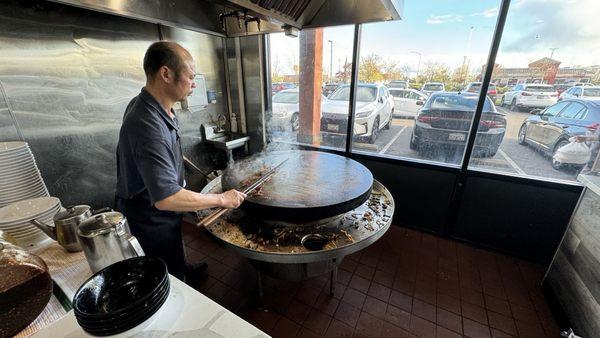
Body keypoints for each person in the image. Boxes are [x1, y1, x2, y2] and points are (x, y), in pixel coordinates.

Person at [115, 41, 246, 281]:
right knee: (165, 277)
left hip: (160, 212)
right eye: (190, 76)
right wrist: (221, 199)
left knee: (174, 253)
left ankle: (182, 268)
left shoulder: (153, 106)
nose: (194, 83)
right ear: (166, 73)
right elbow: (167, 199)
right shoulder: (146, 125)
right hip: (149, 217)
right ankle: (178, 280)